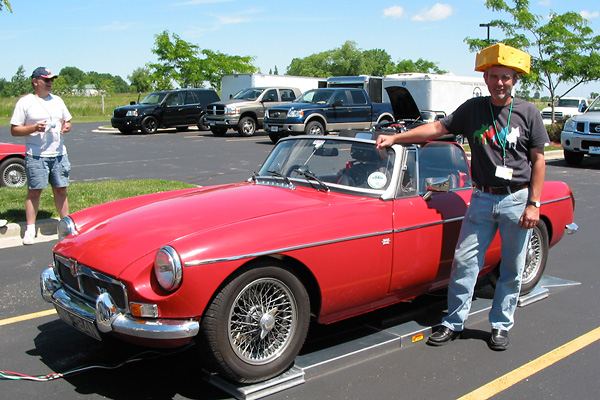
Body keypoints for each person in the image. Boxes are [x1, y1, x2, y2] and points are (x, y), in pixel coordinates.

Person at [376, 43, 549, 351]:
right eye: (494, 76)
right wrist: (397, 137)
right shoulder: (474, 110)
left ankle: (500, 324)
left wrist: (534, 204)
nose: (499, 83)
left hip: (516, 200)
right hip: (482, 199)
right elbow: (436, 128)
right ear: (485, 79)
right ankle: (454, 322)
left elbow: (538, 160)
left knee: (511, 267)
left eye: (506, 77)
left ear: (515, 80)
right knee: (465, 261)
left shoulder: (528, 112)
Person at [10, 67, 72, 245]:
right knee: (34, 191)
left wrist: (67, 126)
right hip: (36, 155)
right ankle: (30, 229)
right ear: (35, 81)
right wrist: (33, 128)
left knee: (61, 189)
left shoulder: (58, 101)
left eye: (52, 80)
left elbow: (67, 122)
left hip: (59, 154)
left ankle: (65, 226)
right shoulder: (25, 102)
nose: (50, 83)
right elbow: (14, 130)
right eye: (46, 80)